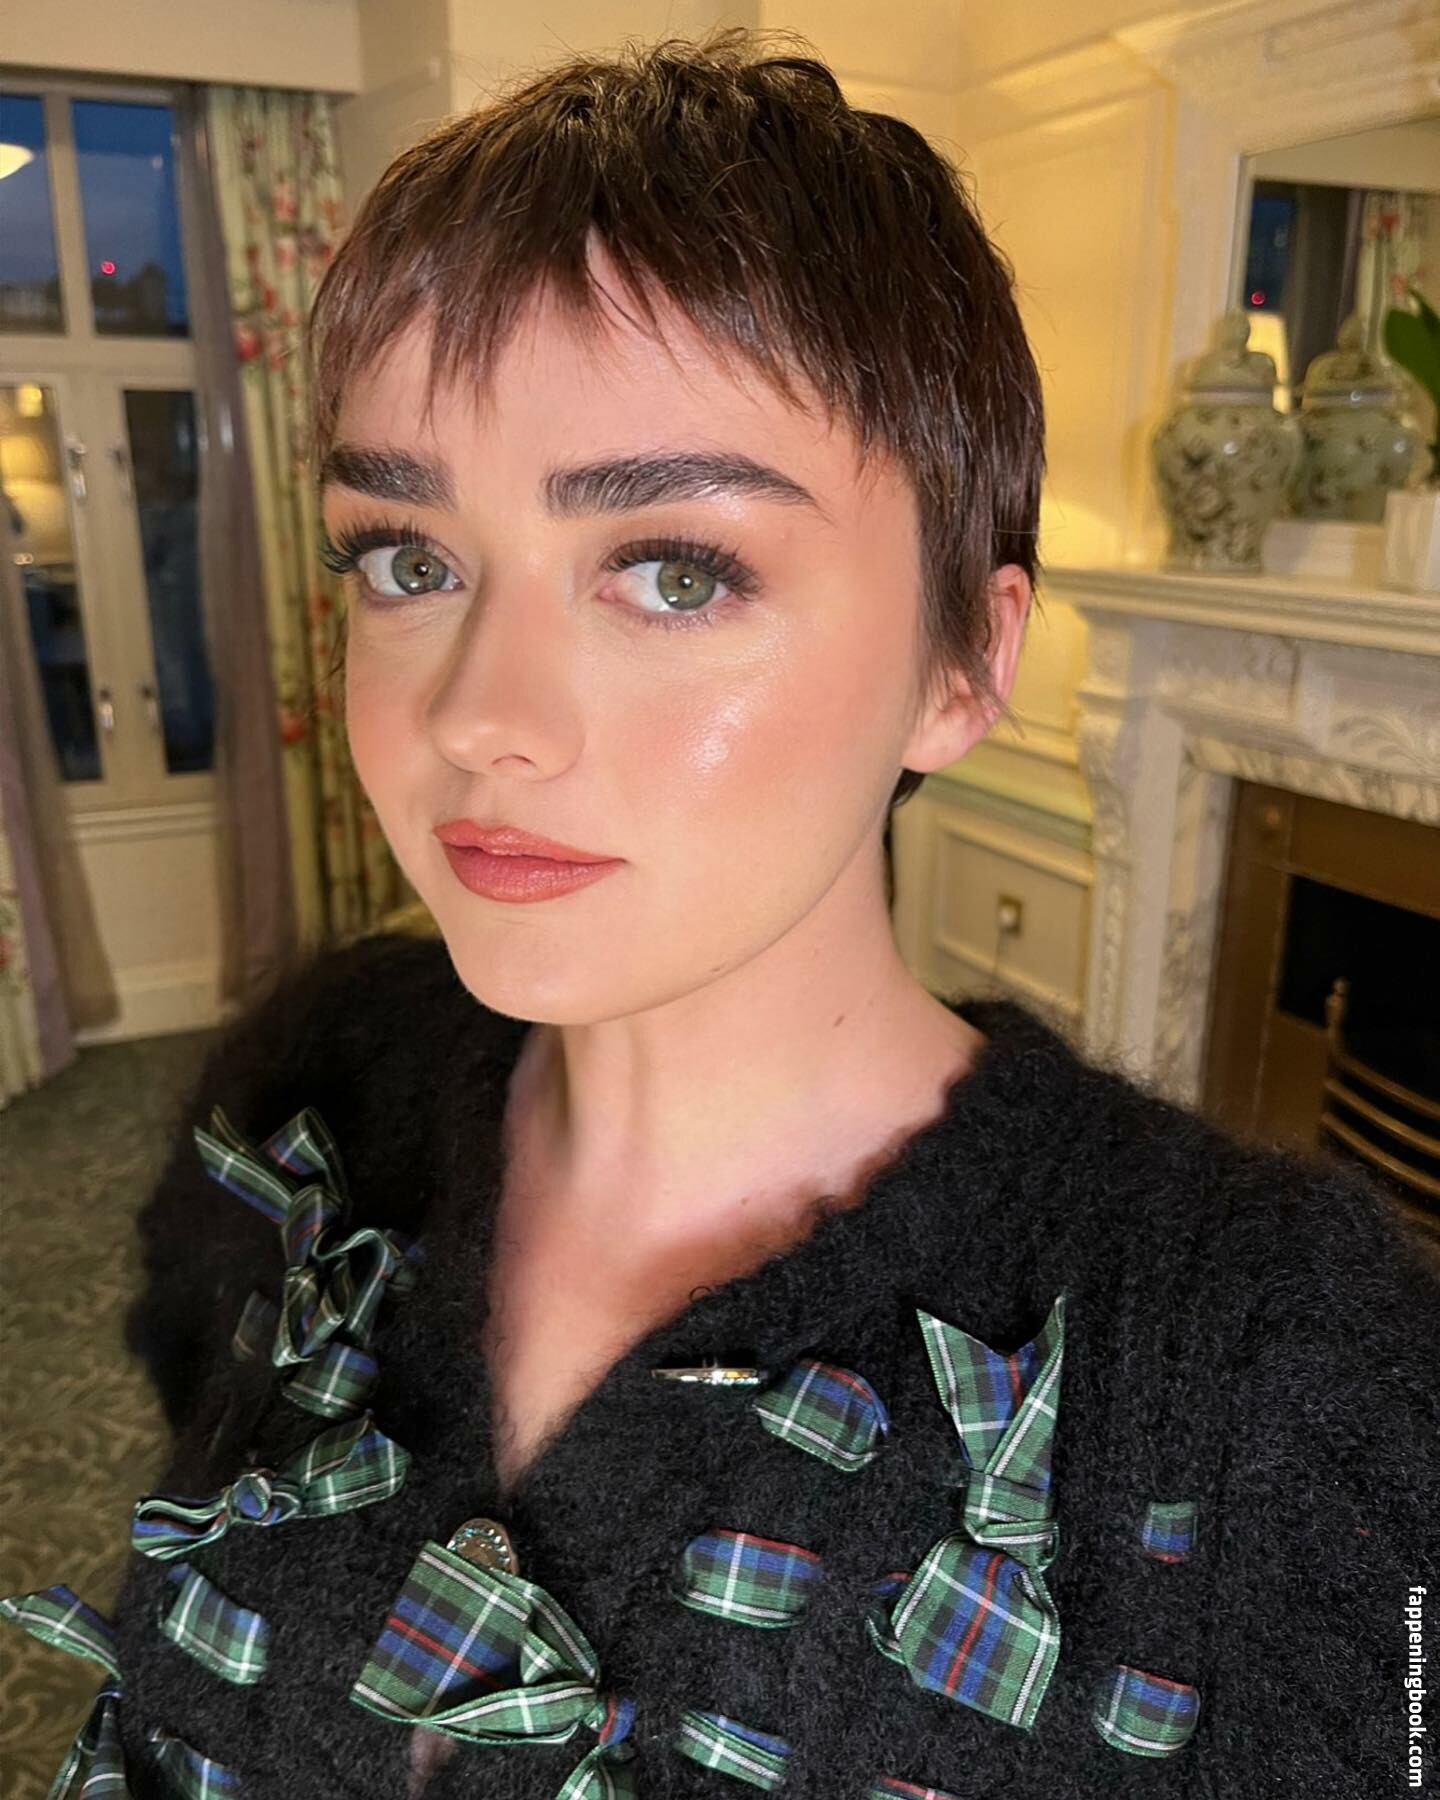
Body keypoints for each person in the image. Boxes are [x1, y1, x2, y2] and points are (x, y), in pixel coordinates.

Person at [5, 27, 1437, 1800]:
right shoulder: (311, 1094)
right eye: (408, 558)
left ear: (963, 662)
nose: (480, 717)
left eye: (677, 572)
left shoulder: (1278, 1369)